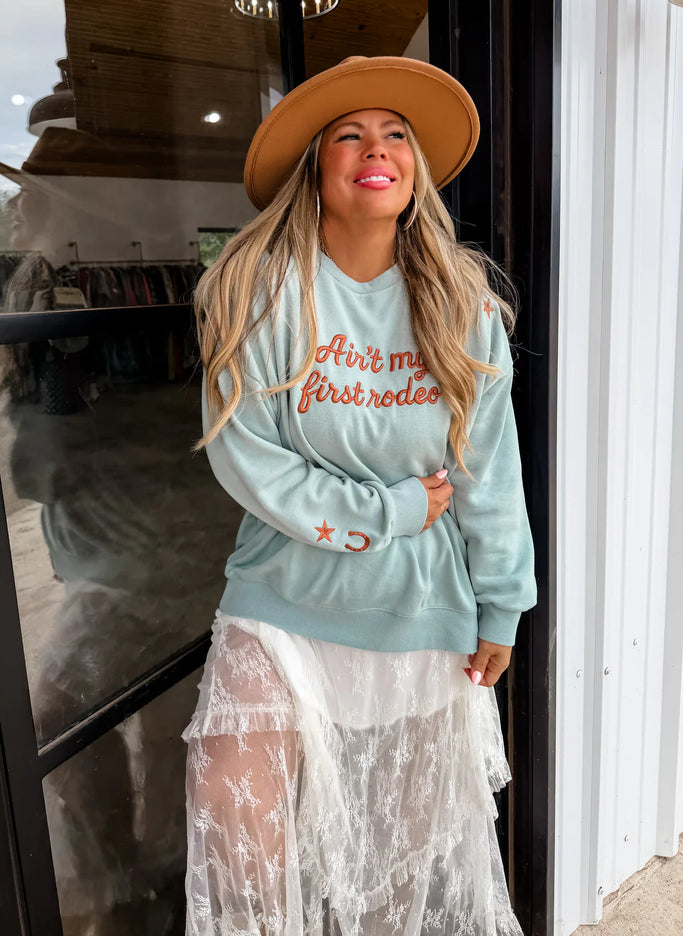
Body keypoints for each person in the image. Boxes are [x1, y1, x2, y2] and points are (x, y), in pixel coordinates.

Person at [183, 55, 537, 936]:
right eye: (349, 134)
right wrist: (391, 510)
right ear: (316, 169)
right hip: (280, 604)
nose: (376, 149)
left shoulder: (462, 308)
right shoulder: (257, 293)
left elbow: (488, 473)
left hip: (420, 611)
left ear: (414, 170)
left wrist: (503, 605)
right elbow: (247, 459)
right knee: (237, 832)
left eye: (395, 135)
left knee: (390, 866)